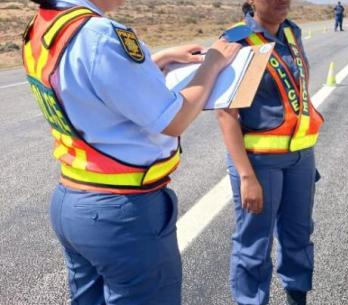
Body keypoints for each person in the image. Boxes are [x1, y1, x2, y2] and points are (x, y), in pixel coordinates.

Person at [22, 0, 240, 304]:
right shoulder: (100, 34)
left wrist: (159, 59)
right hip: (122, 213)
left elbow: (86, 83)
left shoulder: (46, 23)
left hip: (72, 202)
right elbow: (173, 118)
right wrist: (213, 63)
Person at [216, 1, 323, 305]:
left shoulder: (292, 33)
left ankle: (296, 295)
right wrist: (246, 175)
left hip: (300, 156)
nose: (281, 1)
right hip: (259, 162)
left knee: (299, 235)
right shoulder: (237, 41)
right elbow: (226, 115)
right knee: (255, 243)